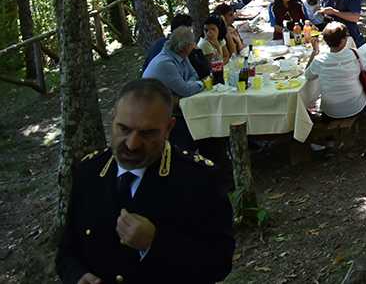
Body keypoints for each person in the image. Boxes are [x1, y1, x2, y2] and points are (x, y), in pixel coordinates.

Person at [56, 79, 234, 284]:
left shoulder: (199, 179)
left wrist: (155, 243)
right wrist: (77, 276)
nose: (132, 144)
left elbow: (219, 263)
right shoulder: (89, 172)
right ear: (112, 118)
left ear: (168, 128)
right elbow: (67, 250)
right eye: (124, 129)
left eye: (147, 133)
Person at [304, 23, 366, 157]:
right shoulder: (354, 54)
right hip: (356, 106)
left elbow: (307, 75)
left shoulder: (319, 61)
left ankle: (330, 143)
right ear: (343, 40)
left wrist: (314, 51)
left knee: (328, 103)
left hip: (330, 111)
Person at [142, 26, 206, 151]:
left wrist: (189, 84)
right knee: (193, 126)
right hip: (153, 113)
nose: (194, 46)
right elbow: (186, 90)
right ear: (186, 46)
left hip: (171, 104)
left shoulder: (180, 54)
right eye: (192, 44)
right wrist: (201, 84)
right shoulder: (165, 63)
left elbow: (193, 76)